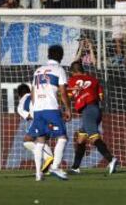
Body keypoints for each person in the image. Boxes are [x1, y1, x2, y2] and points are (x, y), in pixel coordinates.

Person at [67, 61, 118, 174]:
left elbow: (70, 97)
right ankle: (75, 167)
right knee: (81, 139)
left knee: (94, 138)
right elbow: (101, 96)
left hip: (88, 110)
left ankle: (111, 159)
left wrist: (63, 96)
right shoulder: (94, 79)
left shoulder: (72, 80)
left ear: (73, 72)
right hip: (95, 109)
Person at [31, 45, 71, 181]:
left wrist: (34, 108)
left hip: (37, 109)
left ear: (48, 55)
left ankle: (38, 174)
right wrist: (67, 108)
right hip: (51, 108)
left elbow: (33, 92)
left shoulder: (38, 71)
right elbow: (63, 92)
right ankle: (55, 167)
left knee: (40, 139)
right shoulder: (59, 70)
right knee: (63, 137)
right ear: (61, 56)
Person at [16, 83, 54, 174]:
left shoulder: (22, 103)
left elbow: (29, 116)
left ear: (19, 95)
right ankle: (51, 167)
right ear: (29, 91)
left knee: (27, 140)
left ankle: (47, 157)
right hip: (52, 116)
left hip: (40, 118)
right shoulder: (37, 94)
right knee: (41, 141)